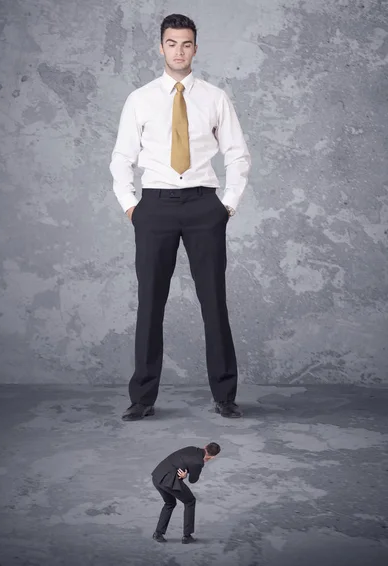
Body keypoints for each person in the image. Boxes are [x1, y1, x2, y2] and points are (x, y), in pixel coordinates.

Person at [110, 13, 251, 422]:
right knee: (150, 303)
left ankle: (225, 395)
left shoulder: (214, 97)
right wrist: (129, 204)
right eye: (171, 43)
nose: (179, 51)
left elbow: (237, 154)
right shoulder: (140, 98)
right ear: (161, 47)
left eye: (186, 44)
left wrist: (227, 204)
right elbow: (122, 156)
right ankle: (142, 398)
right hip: (154, 206)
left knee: (214, 302)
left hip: (204, 205)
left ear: (195, 48)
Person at [151, 442, 221, 543]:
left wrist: (185, 471)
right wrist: (186, 475)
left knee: (170, 503)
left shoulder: (191, 448)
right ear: (213, 457)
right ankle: (187, 536)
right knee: (190, 501)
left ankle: (158, 534)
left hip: (157, 476)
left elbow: (180, 460)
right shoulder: (199, 463)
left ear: (205, 446)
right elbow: (193, 480)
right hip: (169, 482)